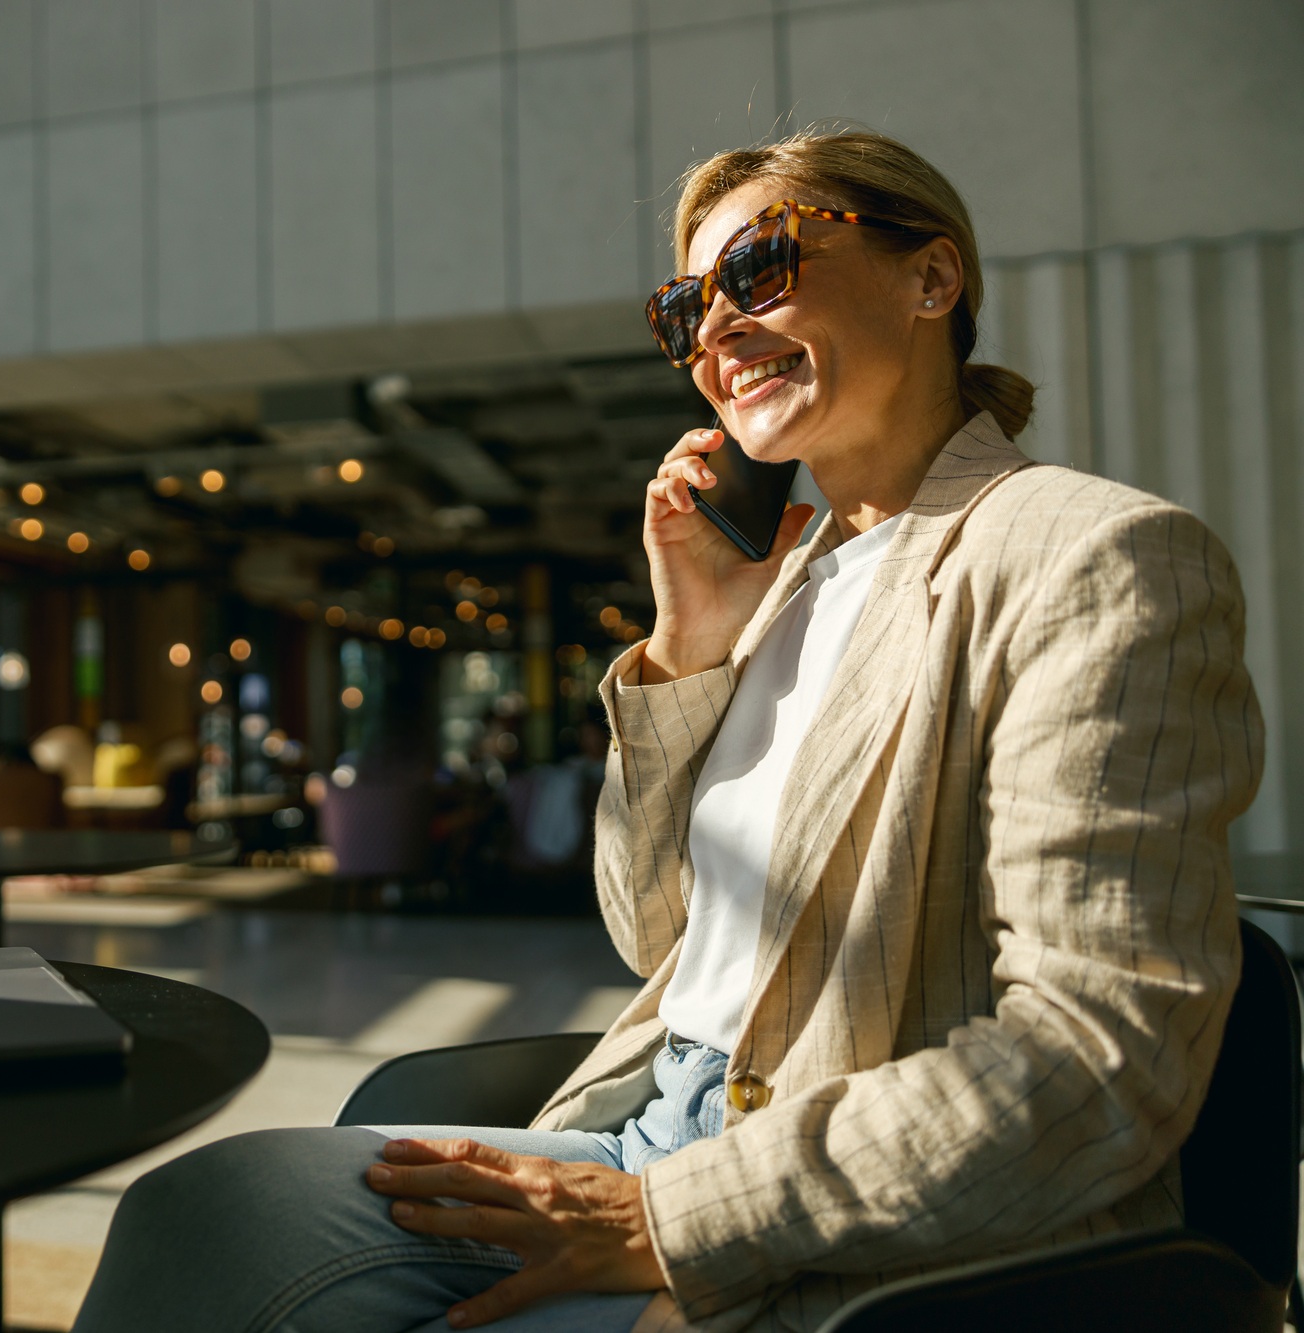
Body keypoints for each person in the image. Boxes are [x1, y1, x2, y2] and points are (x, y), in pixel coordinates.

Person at [69, 128, 1263, 1333]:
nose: (710, 332)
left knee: (220, 1234)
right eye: (685, 305)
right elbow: (652, 934)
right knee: (206, 1216)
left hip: (864, 1219)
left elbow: (1097, 1058)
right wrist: (688, 647)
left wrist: (676, 1217)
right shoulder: (787, 584)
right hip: (647, 1120)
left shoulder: (1087, 553)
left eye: (755, 270)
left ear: (929, 279)